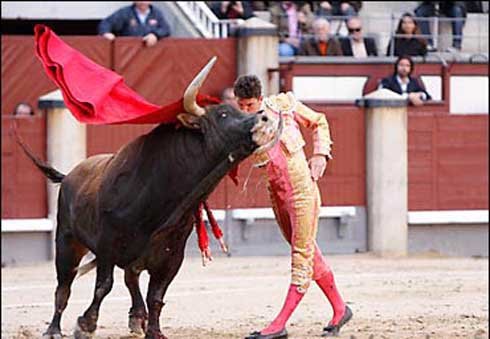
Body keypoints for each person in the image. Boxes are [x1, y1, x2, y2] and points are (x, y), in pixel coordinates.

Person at [233, 75, 352, 339]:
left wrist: (320, 153)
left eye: (249, 105)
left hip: (302, 193)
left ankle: (279, 324)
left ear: (260, 99)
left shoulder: (283, 105)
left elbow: (319, 121)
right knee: (310, 254)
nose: (244, 111)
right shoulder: (240, 125)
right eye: (240, 106)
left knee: (301, 257)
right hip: (277, 197)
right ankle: (340, 309)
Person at [98, 1, 170, 47]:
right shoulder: (125, 12)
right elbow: (106, 23)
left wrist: (155, 35)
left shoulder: (156, 13)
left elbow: (166, 29)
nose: (143, 2)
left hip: (151, 54)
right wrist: (106, 33)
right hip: (128, 52)